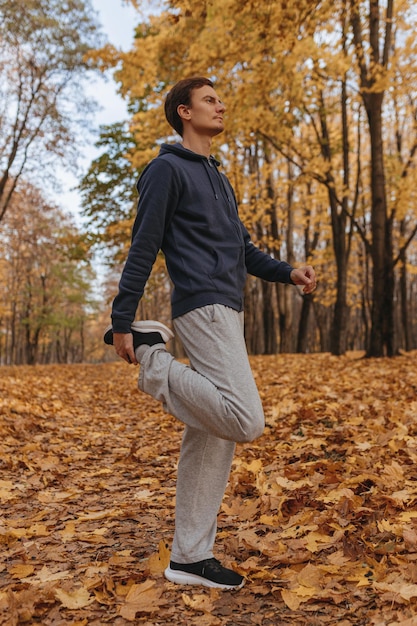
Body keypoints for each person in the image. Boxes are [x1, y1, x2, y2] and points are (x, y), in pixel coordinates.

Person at [104, 76, 316, 590]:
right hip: (203, 307)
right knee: (245, 419)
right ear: (183, 112)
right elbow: (144, 245)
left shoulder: (217, 176)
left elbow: (244, 251)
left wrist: (288, 272)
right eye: (209, 100)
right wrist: (121, 321)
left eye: (220, 100)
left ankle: (190, 557)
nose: (221, 106)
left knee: (212, 437)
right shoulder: (165, 170)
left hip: (229, 309)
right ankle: (156, 361)